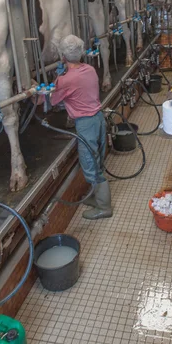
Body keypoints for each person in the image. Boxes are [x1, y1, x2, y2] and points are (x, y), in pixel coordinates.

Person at [49, 35, 112, 220]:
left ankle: (104, 207)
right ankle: (95, 196)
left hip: (85, 125)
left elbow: (50, 100)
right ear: (82, 51)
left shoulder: (65, 80)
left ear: (62, 56)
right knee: (97, 160)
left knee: (91, 166)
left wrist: (32, 91)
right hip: (99, 119)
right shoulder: (91, 70)